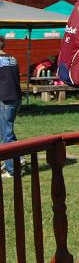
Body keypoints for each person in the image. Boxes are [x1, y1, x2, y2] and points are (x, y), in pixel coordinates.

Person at [0, 36, 22, 178]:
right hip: (15, 98)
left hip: (4, 99)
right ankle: (15, 159)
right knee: (5, 131)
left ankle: (12, 168)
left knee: (7, 133)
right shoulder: (13, 59)